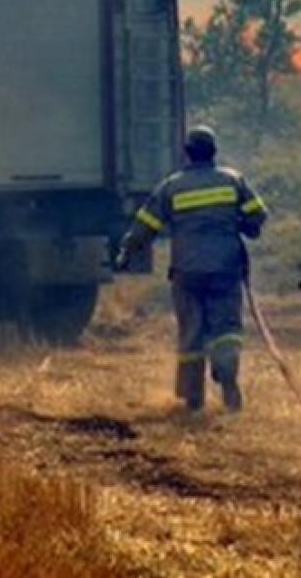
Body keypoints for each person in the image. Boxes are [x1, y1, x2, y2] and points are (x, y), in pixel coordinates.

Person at [116, 125, 268, 415]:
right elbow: (258, 215)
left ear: (186, 154)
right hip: (226, 268)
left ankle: (193, 399)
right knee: (226, 330)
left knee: (192, 333)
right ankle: (228, 380)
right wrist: (243, 225)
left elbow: (145, 225)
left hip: (186, 271)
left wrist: (126, 252)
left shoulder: (171, 186)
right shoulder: (232, 180)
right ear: (214, 152)